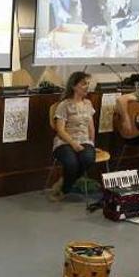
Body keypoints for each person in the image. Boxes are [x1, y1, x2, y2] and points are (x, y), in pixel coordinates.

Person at [50, 72, 96, 202]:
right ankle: (65, 187)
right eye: (83, 84)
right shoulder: (64, 105)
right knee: (71, 163)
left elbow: (91, 127)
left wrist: (92, 144)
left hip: (84, 140)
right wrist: (73, 144)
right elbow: (60, 130)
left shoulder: (88, 104)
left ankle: (64, 186)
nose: (87, 86)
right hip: (65, 141)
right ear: (74, 86)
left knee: (88, 159)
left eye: (87, 83)